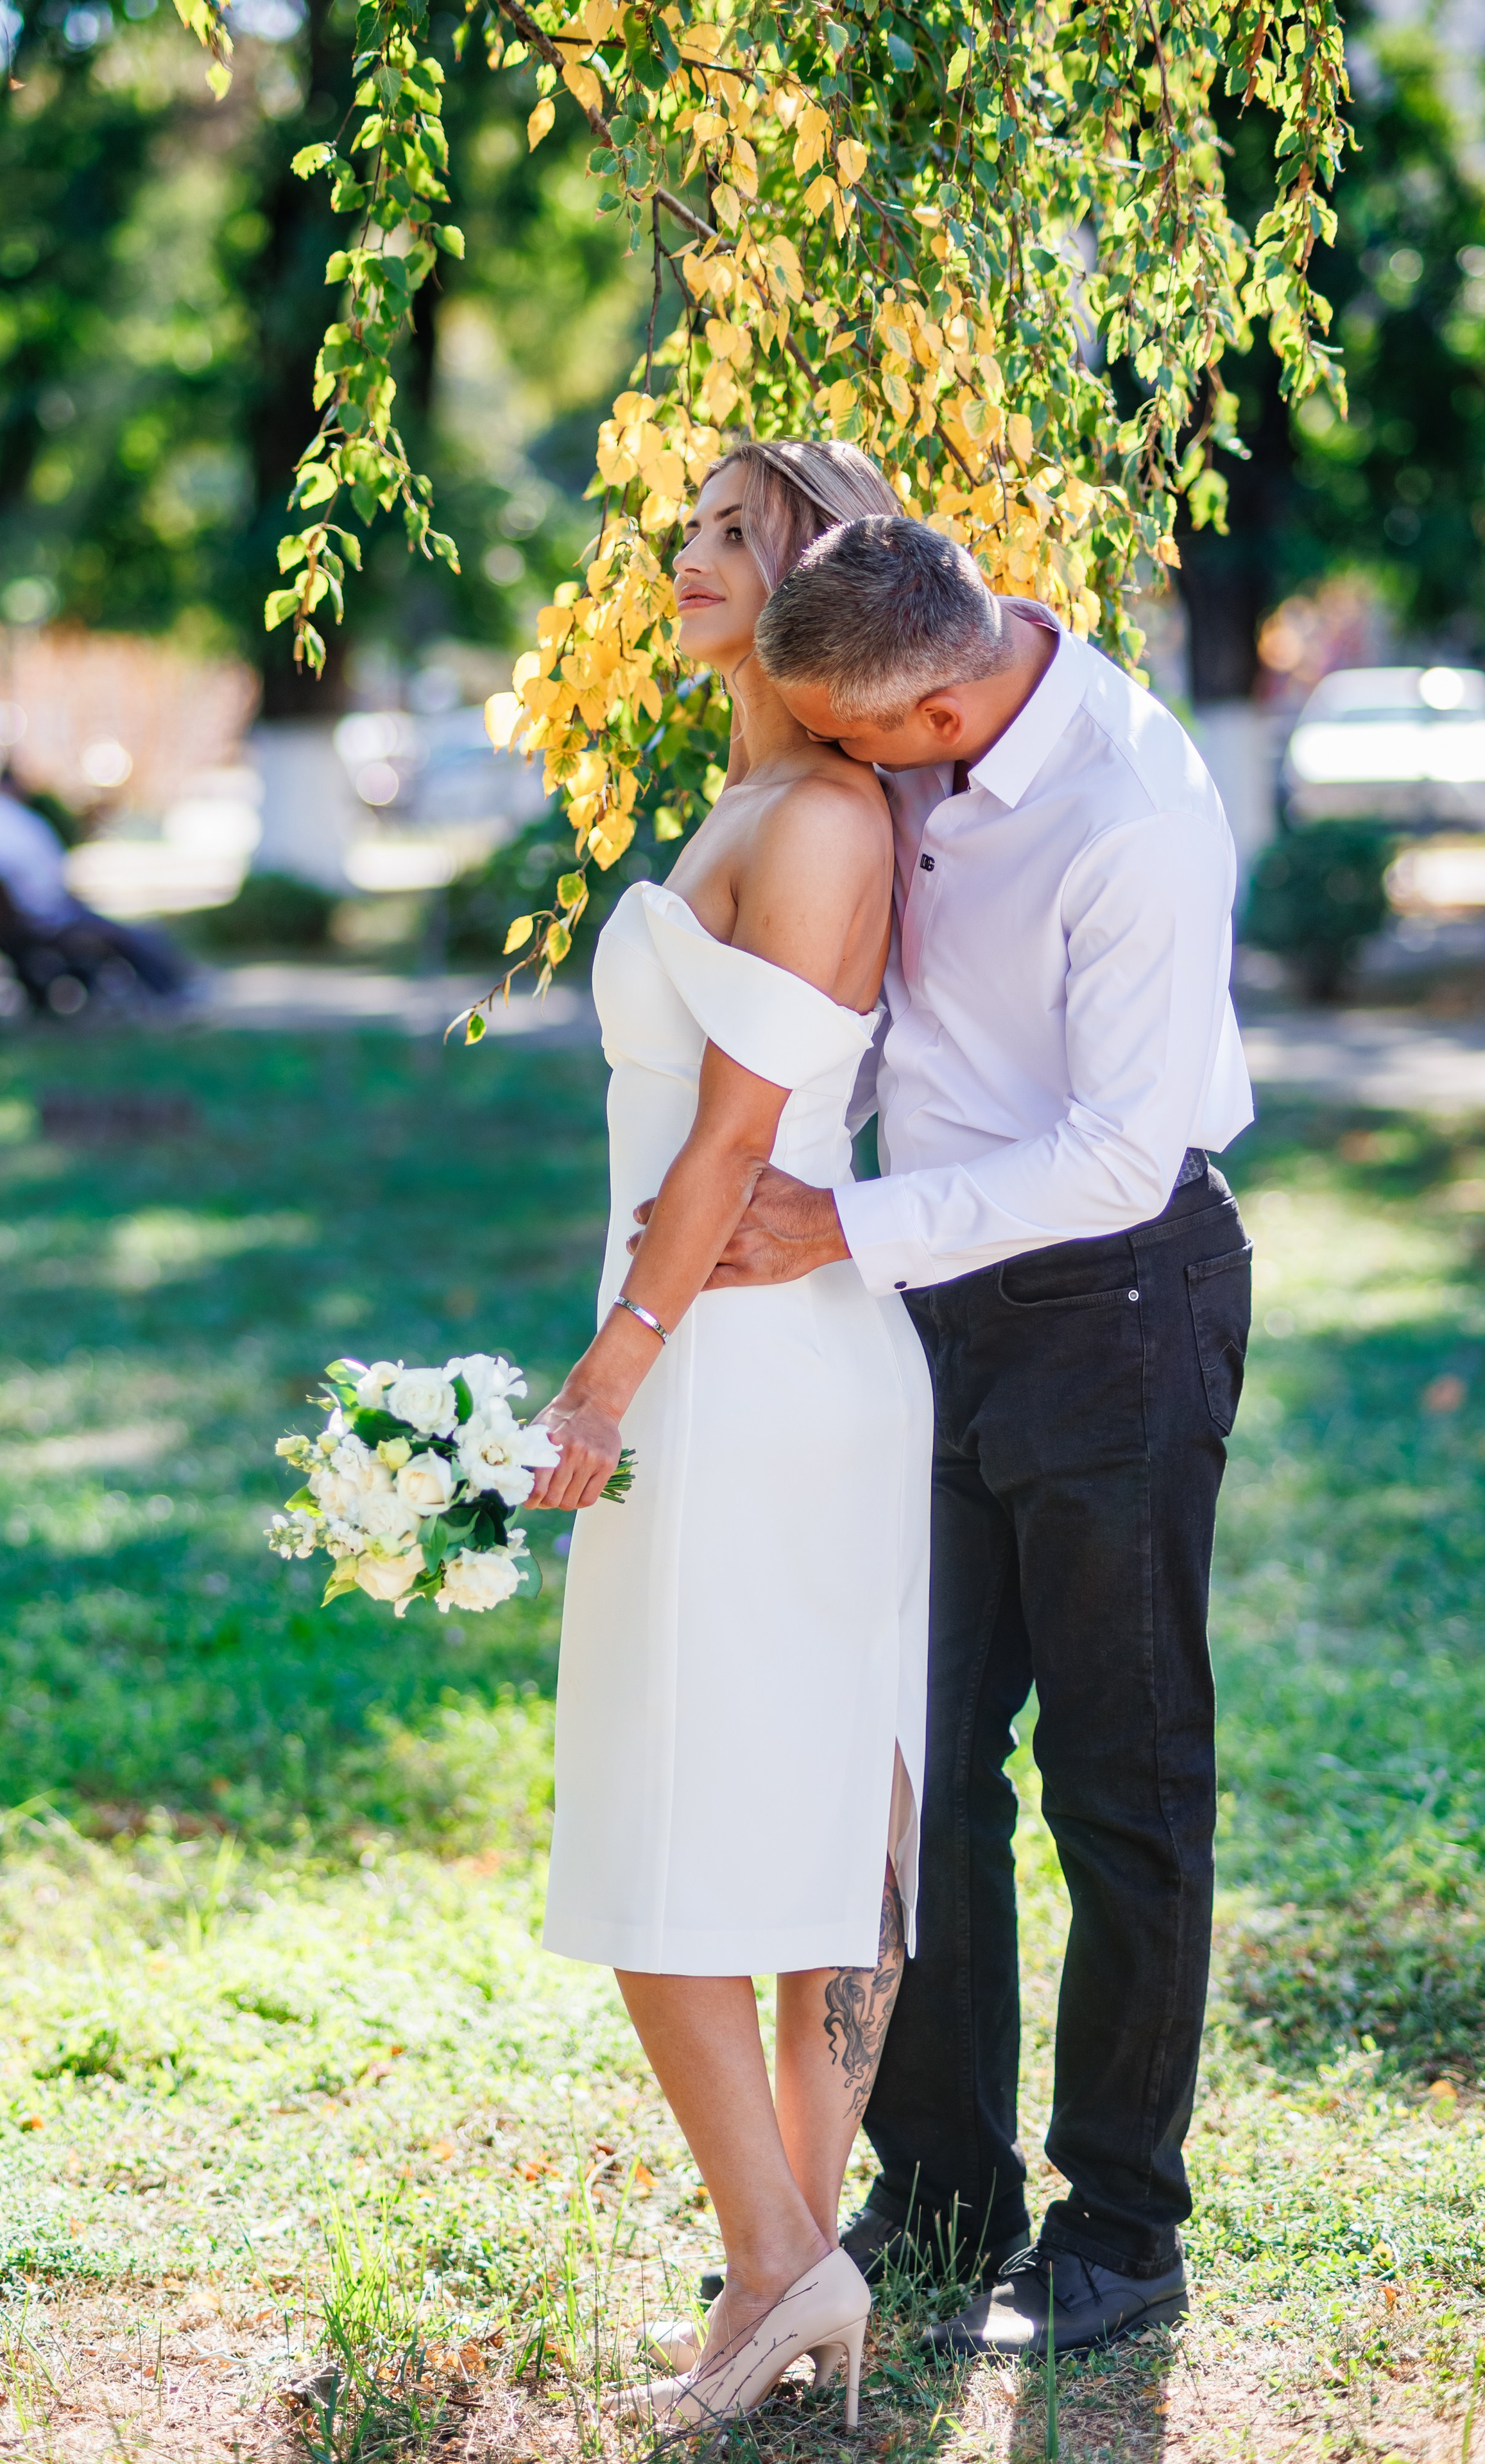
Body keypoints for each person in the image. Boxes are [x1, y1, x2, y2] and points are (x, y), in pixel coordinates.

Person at [675, 513, 1254, 2358]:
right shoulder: (912, 703)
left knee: (1121, 1774)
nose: (862, 784)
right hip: (925, 1313)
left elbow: (1116, 1154)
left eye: (876, 748)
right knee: (914, 1773)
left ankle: (1121, 2228)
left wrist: (834, 1228)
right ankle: (937, 2187)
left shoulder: (1133, 821)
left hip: (1116, 1306)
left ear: (943, 695)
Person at [528, 439, 933, 2431]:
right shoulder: (747, 800)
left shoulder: (827, 821)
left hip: (751, 1366)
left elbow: (730, 1138)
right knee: (727, 1811)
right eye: (682, 527)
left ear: (815, 584)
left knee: (690, 1821)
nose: (685, 559)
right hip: (710, 1338)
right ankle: (779, 2267)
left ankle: (786, 2259)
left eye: (732, 535)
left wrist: (613, 1362)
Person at [0, 773, 188, 1012]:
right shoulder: (10, 820)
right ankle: (172, 995)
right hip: (43, 915)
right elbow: (47, 874)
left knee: (129, 934)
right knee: (133, 937)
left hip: (25, 912)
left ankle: (171, 990)